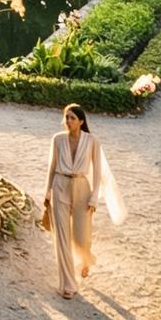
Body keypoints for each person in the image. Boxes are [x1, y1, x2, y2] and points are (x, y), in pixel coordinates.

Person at [39, 103, 126, 298]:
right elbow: (51, 166)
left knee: (81, 237)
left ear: (81, 121)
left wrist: (95, 196)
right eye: (66, 117)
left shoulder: (92, 141)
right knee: (61, 239)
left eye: (72, 118)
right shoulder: (57, 139)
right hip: (60, 186)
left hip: (82, 189)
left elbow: (97, 171)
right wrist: (47, 191)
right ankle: (69, 284)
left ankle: (86, 258)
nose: (68, 121)